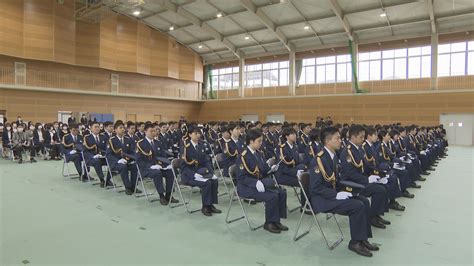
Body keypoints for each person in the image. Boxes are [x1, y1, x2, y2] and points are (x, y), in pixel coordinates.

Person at [309, 126, 378, 257]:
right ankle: (355, 243)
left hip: (331, 195)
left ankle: (363, 239)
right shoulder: (318, 159)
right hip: (321, 200)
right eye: (338, 138)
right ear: (328, 141)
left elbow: (336, 180)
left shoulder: (333, 156)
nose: (341, 141)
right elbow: (315, 188)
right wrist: (336, 194)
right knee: (357, 206)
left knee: (363, 201)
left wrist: (350, 190)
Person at [235, 129, 288, 233]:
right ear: (251, 141)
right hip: (247, 187)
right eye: (259, 141)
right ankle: (268, 223)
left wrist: (272, 169)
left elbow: (262, 170)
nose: (261, 143)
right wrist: (255, 182)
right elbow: (241, 178)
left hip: (260, 184)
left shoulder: (258, 153)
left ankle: (276, 221)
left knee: (282, 192)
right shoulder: (243, 157)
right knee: (272, 196)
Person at [339, 125, 390, 229]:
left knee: (383, 186)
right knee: (379, 190)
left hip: (360, 179)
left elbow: (366, 166)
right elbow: (350, 174)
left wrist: (379, 175)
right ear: (353, 137)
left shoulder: (359, 149)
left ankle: (375, 215)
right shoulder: (347, 152)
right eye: (361, 137)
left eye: (364, 137)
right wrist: (367, 179)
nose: (363, 139)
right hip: (350, 183)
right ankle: (372, 217)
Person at [180, 124, 221, 216]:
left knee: (214, 180)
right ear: (190, 134)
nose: (198, 135)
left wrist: (211, 172)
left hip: (201, 173)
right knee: (207, 183)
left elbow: (206, 160)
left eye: (199, 133)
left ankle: (211, 205)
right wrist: (193, 175)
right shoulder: (185, 147)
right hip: (189, 175)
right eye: (195, 133)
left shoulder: (201, 145)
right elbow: (183, 166)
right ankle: (205, 207)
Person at [136, 123, 176, 205]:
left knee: (171, 172)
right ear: (145, 132)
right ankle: (161, 196)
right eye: (151, 131)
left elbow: (163, 156)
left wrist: (166, 165)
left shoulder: (158, 142)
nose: (153, 133)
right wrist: (151, 166)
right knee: (157, 173)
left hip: (159, 166)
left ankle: (168, 195)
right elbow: (139, 161)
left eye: (154, 131)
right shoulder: (140, 144)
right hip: (146, 169)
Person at [106, 121, 140, 195]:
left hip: (127, 161)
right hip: (116, 163)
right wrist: (118, 161)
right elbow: (108, 155)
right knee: (123, 167)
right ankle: (127, 187)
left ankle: (133, 186)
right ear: (115, 130)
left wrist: (132, 158)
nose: (123, 129)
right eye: (120, 128)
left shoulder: (128, 139)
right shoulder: (111, 140)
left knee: (135, 166)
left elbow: (131, 152)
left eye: (123, 128)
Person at [83, 121, 110, 187]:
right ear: (91, 128)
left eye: (98, 127)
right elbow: (85, 151)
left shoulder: (104, 136)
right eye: (95, 127)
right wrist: (94, 156)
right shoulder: (87, 137)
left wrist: (106, 154)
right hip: (91, 158)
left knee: (112, 160)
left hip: (103, 157)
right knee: (97, 161)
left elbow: (107, 147)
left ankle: (108, 180)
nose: (97, 128)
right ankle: (102, 180)